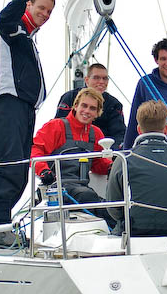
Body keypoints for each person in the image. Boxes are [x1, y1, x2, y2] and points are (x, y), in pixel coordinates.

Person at [0, 0, 55, 248]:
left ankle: (1, 225)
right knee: (9, 167)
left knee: (19, 169)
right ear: (28, 6)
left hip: (25, 108)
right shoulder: (12, 28)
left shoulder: (27, 36)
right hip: (9, 104)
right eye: (41, 8)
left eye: (50, 11)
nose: (45, 14)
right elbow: (2, 19)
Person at [106, 101, 167, 236]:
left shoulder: (124, 160)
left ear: (139, 129)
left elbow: (113, 208)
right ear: (166, 129)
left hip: (135, 233)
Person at [31, 87, 115, 227]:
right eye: (84, 105)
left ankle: (120, 230)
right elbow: (36, 150)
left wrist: (111, 166)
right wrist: (43, 170)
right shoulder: (56, 126)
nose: (87, 111)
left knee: (111, 207)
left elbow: (98, 163)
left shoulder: (96, 134)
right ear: (75, 106)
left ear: (97, 113)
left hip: (83, 188)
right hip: (56, 189)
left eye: (92, 108)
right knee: (88, 197)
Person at [55, 63, 126, 148]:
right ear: (86, 80)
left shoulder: (114, 104)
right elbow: (57, 127)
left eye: (105, 78)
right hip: (67, 151)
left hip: (101, 151)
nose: (101, 82)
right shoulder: (69, 98)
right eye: (96, 78)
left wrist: (109, 155)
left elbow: (119, 135)